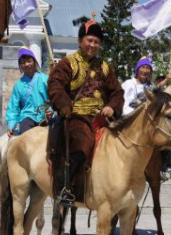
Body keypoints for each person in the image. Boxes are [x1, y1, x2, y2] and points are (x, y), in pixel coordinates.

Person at [47, 20, 124, 206]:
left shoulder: (105, 66)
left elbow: (118, 92)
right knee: (82, 144)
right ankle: (69, 188)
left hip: (101, 118)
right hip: (76, 116)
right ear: (80, 40)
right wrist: (65, 106)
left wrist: (112, 106)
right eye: (89, 40)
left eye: (96, 42)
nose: (93, 45)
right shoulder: (68, 63)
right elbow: (55, 84)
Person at [5, 47, 49, 137]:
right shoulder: (18, 85)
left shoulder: (45, 79)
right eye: (23, 62)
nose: (26, 64)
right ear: (20, 65)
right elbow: (13, 107)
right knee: (25, 140)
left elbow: (55, 97)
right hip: (28, 117)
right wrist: (11, 125)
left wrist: (51, 111)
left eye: (29, 61)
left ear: (34, 62)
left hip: (47, 116)